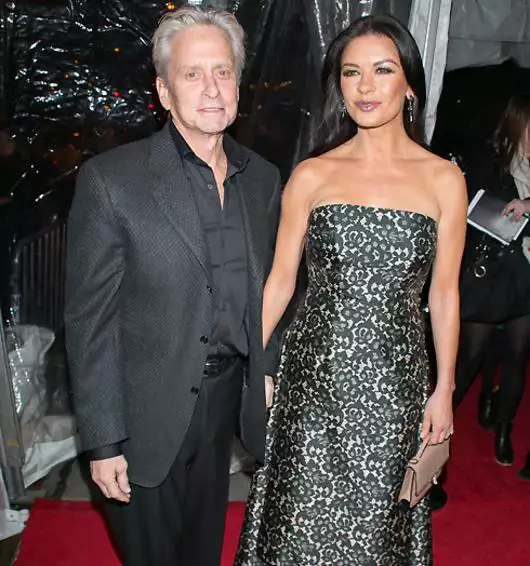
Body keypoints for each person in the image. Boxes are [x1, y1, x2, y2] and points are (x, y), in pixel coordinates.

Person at [235, 14, 466, 566]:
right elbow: (280, 282)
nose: (365, 86)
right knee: (297, 527)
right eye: (351, 72)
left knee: (375, 534)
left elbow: (444, 295)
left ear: (409, 85)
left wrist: (445, 389)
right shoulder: (312, 175)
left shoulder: (443, 179)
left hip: (395, 384)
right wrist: (251, 368)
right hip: (311, 383)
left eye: (382, 70)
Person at [64, 6, 282, 566]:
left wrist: (267, 370)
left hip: (225, 403)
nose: (211, 88)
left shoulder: (262, 179)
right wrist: (104, 440)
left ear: (238, 84)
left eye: (223, 71)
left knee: (203, 552)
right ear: (163, 91)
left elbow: (271, 289)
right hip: (145, 412)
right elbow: (90, 322)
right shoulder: (113, 181)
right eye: (192, 73)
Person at [453, 92, 530, 467]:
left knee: (517, 355)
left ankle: (503, 430)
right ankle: (429, 434)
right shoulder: (493, 161)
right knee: (469, 357)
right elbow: (472, 209)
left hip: (527, 276)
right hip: (492, 275)